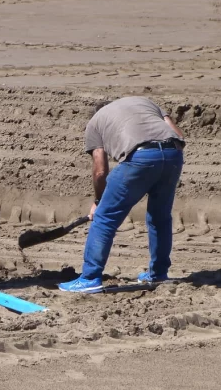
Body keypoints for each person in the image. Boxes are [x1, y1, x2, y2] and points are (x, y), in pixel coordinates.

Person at [58, 96, 186, 293]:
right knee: (160, 217)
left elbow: (100, 170)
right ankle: (158, 274)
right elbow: (179, 135)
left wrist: (99, 201)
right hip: (173, 154)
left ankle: (90, 278)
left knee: (104, 218)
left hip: (140, 156)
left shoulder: (95, 122)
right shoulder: (145, 102)